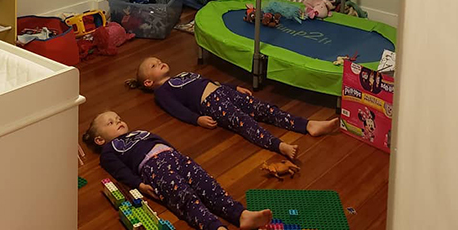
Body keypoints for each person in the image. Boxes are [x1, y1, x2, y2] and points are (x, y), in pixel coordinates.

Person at [82, 110, 271, 230]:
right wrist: (138, 184)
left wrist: (177, 155)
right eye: (111, 123)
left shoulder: (139, 132)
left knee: (210, 186)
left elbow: (161, 141)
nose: (118, 122)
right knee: (186, 199)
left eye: (119, 118)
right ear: (100, 140)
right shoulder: (110, 150)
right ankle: (217, 229)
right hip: (153, 168)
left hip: (176, 158)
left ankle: (241, 214)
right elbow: (119, 170)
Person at [128, 57, 340, 158]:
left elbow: (209, 80)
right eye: (153, 66)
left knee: (266, 108)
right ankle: (279, 145)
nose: (160, 62)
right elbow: (176, 109)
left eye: (158, 60)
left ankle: (309, 125)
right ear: (148, 82)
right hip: (211, 104)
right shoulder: (163, 92)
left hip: (224, 92)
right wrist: (196, 119)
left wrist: (234, 87)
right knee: (245, 123)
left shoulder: (182, 75)